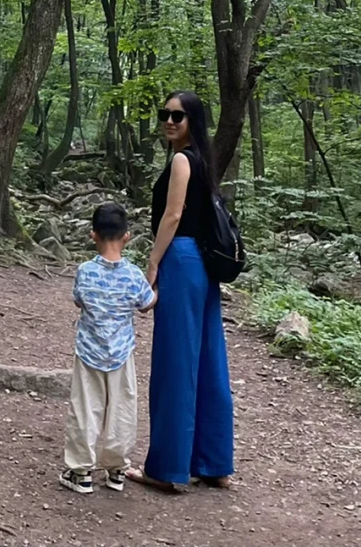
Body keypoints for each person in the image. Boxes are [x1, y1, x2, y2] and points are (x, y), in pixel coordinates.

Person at [127, 90, 234, 491]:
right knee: (208, 361)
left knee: (175, 363)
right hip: (203, 267)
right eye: (165, 114)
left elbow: (172, 216)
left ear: (193, 121)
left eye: (179, 116)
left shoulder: (181, 161)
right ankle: (213, 463)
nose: (170, 122)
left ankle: (167, 469)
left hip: (181, 260)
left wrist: (153, 263)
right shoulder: (204, 161)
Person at [60, 201, 156, 496]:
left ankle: (81, 472)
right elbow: (146, 305)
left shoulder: (85, 271)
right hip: (121, 354)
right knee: (122, 409)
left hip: (88, 352)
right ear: (127, 236)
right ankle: (116, 470)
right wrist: (157, 289)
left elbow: (78, 300)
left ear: (93, 235)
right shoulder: (133, 275)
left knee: (85, 409)